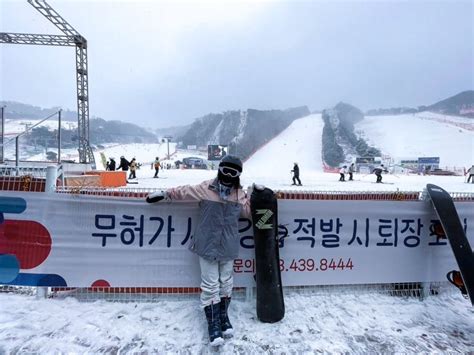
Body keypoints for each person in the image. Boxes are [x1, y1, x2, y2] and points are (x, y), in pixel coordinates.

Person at [146, 155, 252, 346]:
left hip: (228, 246)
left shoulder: (239, 195)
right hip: (207, 245)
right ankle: (213, 325)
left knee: (226, 283)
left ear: (238, 175)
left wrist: (263, 197)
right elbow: (185, 191)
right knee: (211, 285)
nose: (227, 175)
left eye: (233, 172)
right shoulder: (206, 189)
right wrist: (165, 194)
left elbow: (250, 213)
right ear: (219, 170)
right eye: (225, 170)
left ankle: (223, 317)